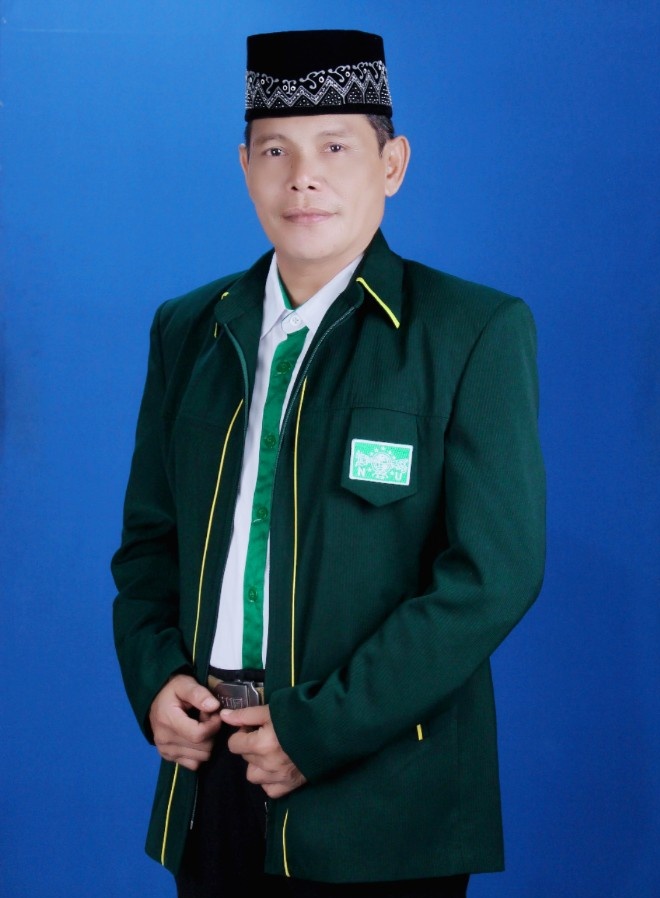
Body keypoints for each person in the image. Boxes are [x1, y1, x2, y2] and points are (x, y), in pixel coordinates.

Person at [112, 28, 546, 898]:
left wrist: (319, 730)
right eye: (276, 150)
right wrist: (155, 678)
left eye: (336, 147)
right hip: (212, 768)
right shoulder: (189, 329)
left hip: (382, 786)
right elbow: (149, 545)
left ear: (393, 164)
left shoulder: (469, 332)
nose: (302, 177)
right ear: (245, 167)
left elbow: (493, 575)